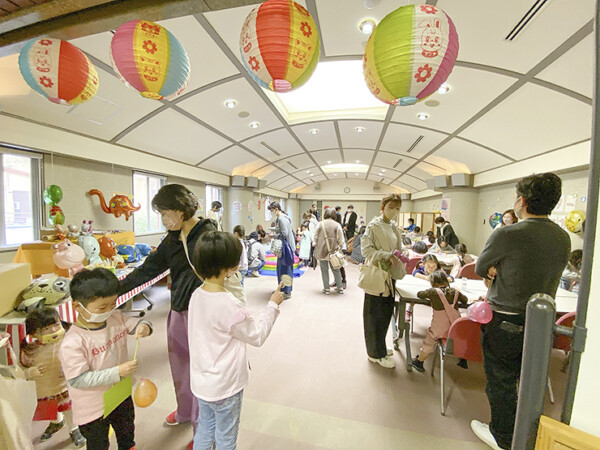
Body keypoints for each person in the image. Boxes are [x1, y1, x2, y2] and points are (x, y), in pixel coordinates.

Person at [471, 173, 570, 450]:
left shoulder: (507, 233)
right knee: (529, 379)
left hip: (506, 319)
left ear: (522, 201)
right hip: (542, 323)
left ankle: (502, 437)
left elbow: (481, 268)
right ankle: (526, 431)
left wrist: (496, 269)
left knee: (501, 380)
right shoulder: (562, 237)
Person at [119, 184, 216, 446]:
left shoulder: (207, 235)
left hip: (202, 314)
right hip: (178, 311)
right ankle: (185, 411)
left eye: (165, 212)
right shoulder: (172, 238)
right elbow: (149, 268)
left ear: (182, 210)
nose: (163, 219)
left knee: (201, 372)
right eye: (160, 213)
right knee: (180, 365)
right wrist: (116, 289)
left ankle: (203, 430)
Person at [188, 231, 283, 450]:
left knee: (205, 429)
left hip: (202, 382)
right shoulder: (229, 304)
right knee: (226, 436)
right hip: (226, 385)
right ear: (231, 266)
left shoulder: (197, 295)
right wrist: (273, 305)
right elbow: (256, 335)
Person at [58, 268, 152, 449]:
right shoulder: (73, 343)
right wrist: (117, 372)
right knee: (98, 443)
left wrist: (144, 326)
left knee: (126, 433)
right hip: (93, 408)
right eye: (102, 307)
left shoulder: (115, 317)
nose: (109, 310)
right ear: (78, 306)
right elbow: (78, 379)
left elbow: (135, 324)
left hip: (121, 394)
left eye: (113, 303)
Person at [20, 309, 86, 447]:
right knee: (50, 408)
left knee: (67, 407)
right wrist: (30, 372)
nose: (53, 330)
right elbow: (21, 369)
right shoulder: (30, 349)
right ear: (34, 334)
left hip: (63, 384)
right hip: (44, 387)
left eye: (56, 325)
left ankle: (74, 429)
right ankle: (56, 423)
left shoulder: (68, 339)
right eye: (46, 329)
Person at [361, 193, 406, 369]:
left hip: (390, 275)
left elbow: (396, 248)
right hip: (377, 275)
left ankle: (379, 346)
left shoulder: (393, 227)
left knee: (386, 313)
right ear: (382, 207)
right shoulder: (373, 227)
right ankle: (374, 353)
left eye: (397, 208)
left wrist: (400, 255)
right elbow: (366, 251)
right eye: (390, 208)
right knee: (374, 315)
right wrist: (386, 255)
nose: (394, 211)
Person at [411, 270, 468, 372]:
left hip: (439, 327)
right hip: (455, 326)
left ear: (432, 282)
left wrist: (430, 290)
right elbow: (465, 300)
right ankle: (463, 359)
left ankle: (419, 362)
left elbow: (420, 294)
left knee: (430, 340)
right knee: (460, 338)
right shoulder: (455, 291)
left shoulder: (433, 292)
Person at [314, 208, 345, 295]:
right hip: (333, 250)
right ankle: (340, 287)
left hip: (321, 250)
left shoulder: (320, 224)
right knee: (336, 269)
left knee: (324, 270)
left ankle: (326, 289)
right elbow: (341, 238)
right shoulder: (337, 225)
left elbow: (315, 235)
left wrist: (315, 243)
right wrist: (341, 247)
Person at [268, 201, 295, 300]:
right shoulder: (281, 218)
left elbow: (285, 233)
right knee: (280, 269)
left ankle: (287, 291)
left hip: (286, 248)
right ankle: (281, 288)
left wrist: (273, 235)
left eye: (271, 211)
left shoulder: (282, 219)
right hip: (284, 247)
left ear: (276, 209)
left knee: (285, 270)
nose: (271, 213)